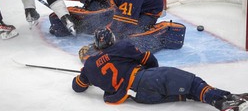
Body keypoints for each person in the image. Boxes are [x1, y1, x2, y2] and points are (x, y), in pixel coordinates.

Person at [72, 27, 248, 111]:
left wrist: (91, 79)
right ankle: (222, 102)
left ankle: (229, 96)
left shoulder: (88, 67)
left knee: (186, 93)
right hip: (145, 79)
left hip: (141, 98)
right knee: (193, 83)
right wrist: (148, 73)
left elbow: (77, 86)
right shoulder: (121, 46)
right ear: (111, 39)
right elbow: (151, 60)